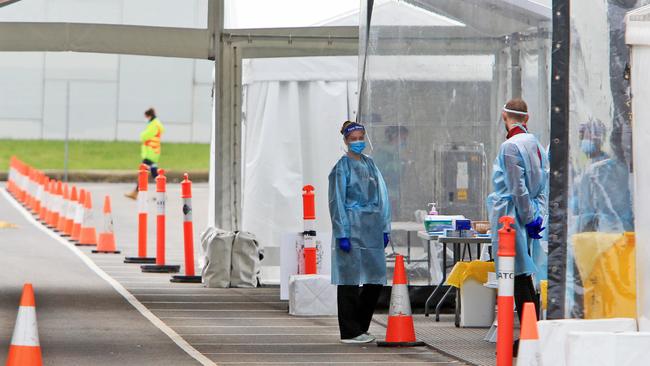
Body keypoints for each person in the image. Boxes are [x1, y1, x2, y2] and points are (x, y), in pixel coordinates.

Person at [486, 99, 549, 353]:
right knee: (524, 277)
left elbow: (516, 187)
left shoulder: (509, 147)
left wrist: (526, 216)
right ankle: (530, 333)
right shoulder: (536, 145)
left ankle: (527, 336)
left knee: (516, 277)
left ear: (504, 116)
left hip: (510, 218)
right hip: (529, 214)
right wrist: (537, 216)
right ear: (527, 118)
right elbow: (540, 185)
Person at [328, 120, 391, 344]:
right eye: (352, 139)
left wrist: (385, 227)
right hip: (351, 227)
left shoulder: (370, 165)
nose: (357, 142)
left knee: (375, 280)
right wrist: (341, 232)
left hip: (372, 228)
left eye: (360, 138)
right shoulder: (341, 168)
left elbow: (382, 196)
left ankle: (360, 326)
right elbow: (336, 201)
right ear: (345, 141)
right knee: (349, 280)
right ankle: (349, 331)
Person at [125, 108, 165, 200]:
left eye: (146, 117)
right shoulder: (155, 123)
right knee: (155, 173)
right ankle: (163, 193)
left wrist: (142, 135)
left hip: (150, 152)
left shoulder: (154, 124)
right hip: (154, 152)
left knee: (143, 172)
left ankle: (135, 192)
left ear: (149, 115)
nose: (145, 118)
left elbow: (145, 136)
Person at [373, 125, 409, 220]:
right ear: (394, 137)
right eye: (403, 138)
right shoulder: (382, 154)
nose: (405, 142)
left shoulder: (394, 154)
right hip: (385, 196)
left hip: (393, 196)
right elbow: (378, 176)